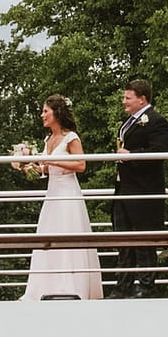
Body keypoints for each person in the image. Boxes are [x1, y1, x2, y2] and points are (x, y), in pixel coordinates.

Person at [18, 95, 101, 301]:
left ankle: (72, 286)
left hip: (67, 194)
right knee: (48, 237)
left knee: (68, 234)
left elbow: (81, 165)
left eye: (45, 111)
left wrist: (54, 160)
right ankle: (45, 286)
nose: (42, 115)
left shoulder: (71, 137)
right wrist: (28, 166)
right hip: (52, 194)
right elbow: (46, 168)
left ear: (57, 113)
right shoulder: (48, 139)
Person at [108, 78, 168, 298]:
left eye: (128, 97)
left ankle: (145, 285)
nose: (123, 101)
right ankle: (122, 285)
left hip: (144, 191)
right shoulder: (128, 122)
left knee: (144, 239)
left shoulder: (156, 121)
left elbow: (160, 151)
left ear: (142, 99)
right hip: (124, 189)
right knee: (123, 239)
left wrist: (131, 156)